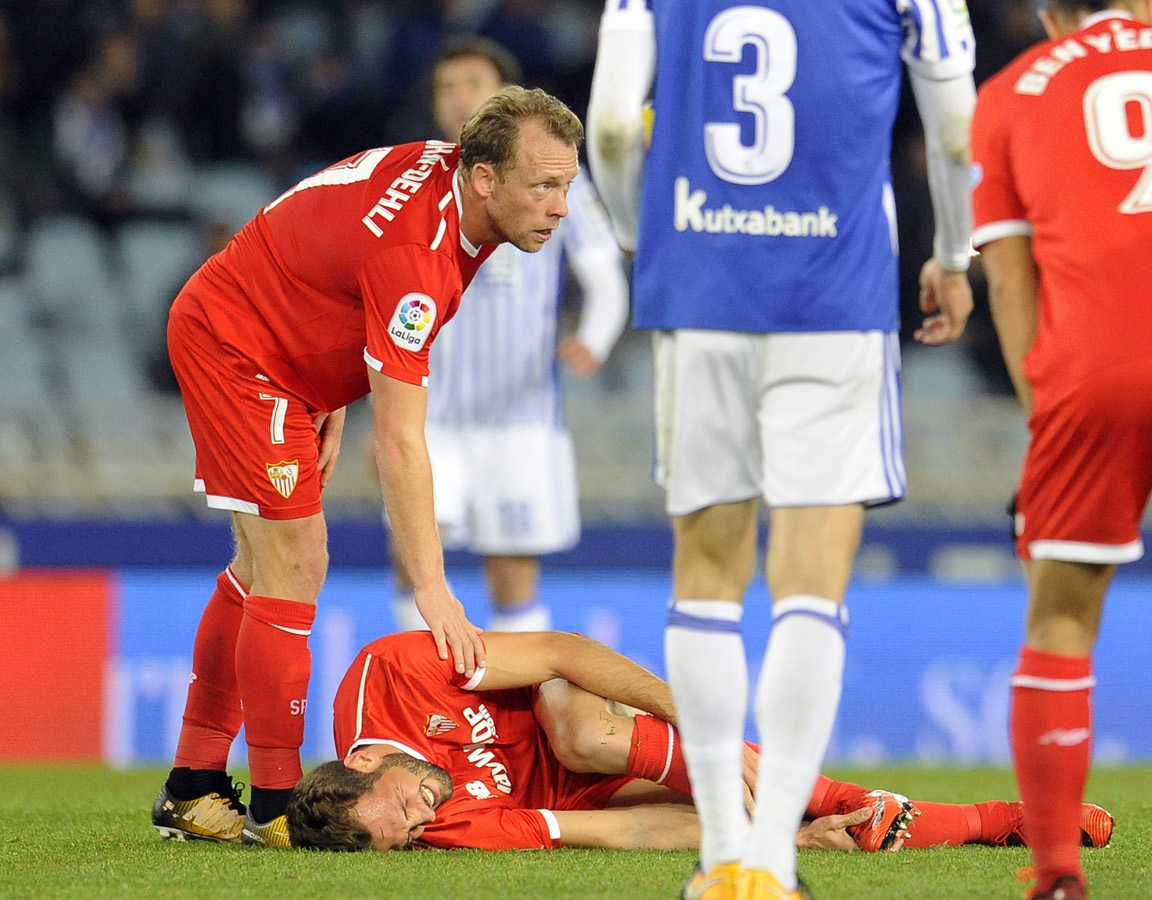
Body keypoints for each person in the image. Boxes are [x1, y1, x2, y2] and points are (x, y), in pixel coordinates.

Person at [586, 2, 977, 897]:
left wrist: (642, 236)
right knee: (812, 583)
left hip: (700, 289)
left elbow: (611, 124)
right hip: (832, 299)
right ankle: (771, 857)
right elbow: (954, 127)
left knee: (708, 578)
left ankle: (720, 852)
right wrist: (953, 252)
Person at [151, 86, 585, 848]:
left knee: (259, 568)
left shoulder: (441, 174)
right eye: (543, 186)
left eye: (567, 186)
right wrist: (433, 588)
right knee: (298, 558)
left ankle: (193, 783)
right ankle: (275, 805)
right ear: (485, 178)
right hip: (243, 353)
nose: (560, 207)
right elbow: (403, 444)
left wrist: (332, 392)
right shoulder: (417, 257)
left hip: (270, 345)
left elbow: (324, 249)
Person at [286, 631, 1114, 855]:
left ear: (365, 761)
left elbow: (563, 653)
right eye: (413, 835)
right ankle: (1001, 820)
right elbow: (618, 831)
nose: (429, 814)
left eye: (406, 804)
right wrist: (788, 838)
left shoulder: (385, 673)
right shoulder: (451, 829)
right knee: (821, 823)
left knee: (579, 736)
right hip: (585, 792)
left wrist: (688, 714)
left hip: (558, 708)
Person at [972, 3, 1152, 898]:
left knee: (1060, 625)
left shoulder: (1008, 94)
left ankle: (1055, 874)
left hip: (1098, 367)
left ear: (1049, 12)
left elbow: (1009, 274)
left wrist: (1046, 409)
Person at [385, 38, 627, 635]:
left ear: (508, 96)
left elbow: (606, 278)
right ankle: (416, 712)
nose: (459, 98)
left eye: (472, 83)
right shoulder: (411, 180)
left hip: (521, 419)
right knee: (413, 563)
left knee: (512, 572)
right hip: (429, 416)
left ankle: (514, 722)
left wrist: (592, 339)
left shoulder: (556, 179)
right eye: (446, 88)